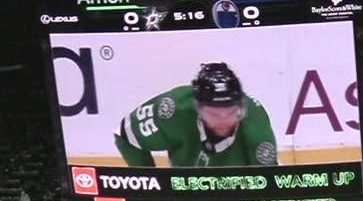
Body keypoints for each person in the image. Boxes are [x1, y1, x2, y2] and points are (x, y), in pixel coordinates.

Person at [115, 62, 278, 168]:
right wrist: (152, 184)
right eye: (213, 114)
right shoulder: (172, 110)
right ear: (197, 108)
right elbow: (125, 135)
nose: (223, 121)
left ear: (241, 109)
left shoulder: (255, 124)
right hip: (187, 196)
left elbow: (269, 183)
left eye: (231, 113)